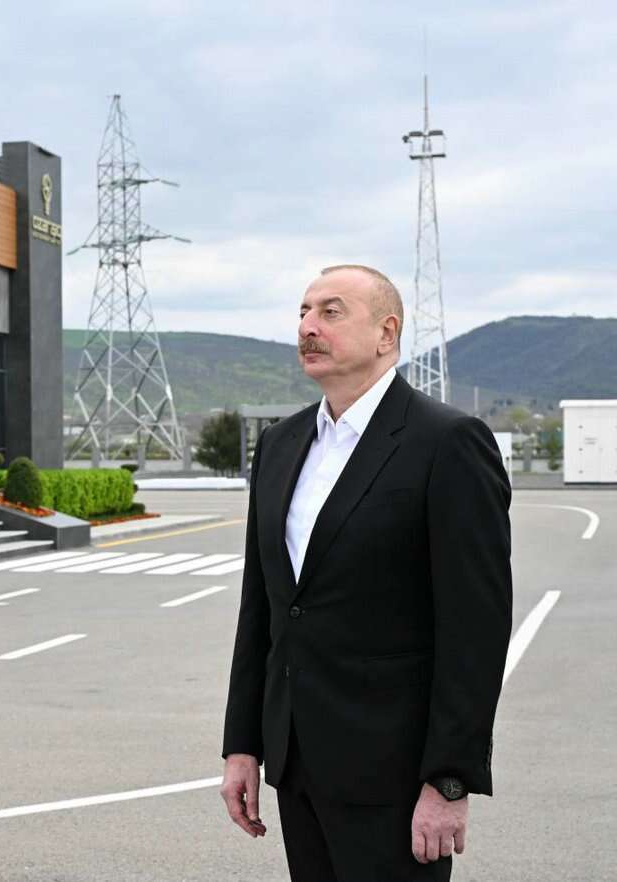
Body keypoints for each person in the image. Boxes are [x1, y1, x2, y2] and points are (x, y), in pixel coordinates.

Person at [220, 265, 512, 880]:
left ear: (386, 333)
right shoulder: (281, 444)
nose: (308, 327)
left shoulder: (448, 442)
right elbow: (263, 609)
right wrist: (242, 745)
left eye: (331, 312)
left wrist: (450, 780)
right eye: (303, 312)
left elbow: (475, 629)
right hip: (297, 765)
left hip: (395, 776)